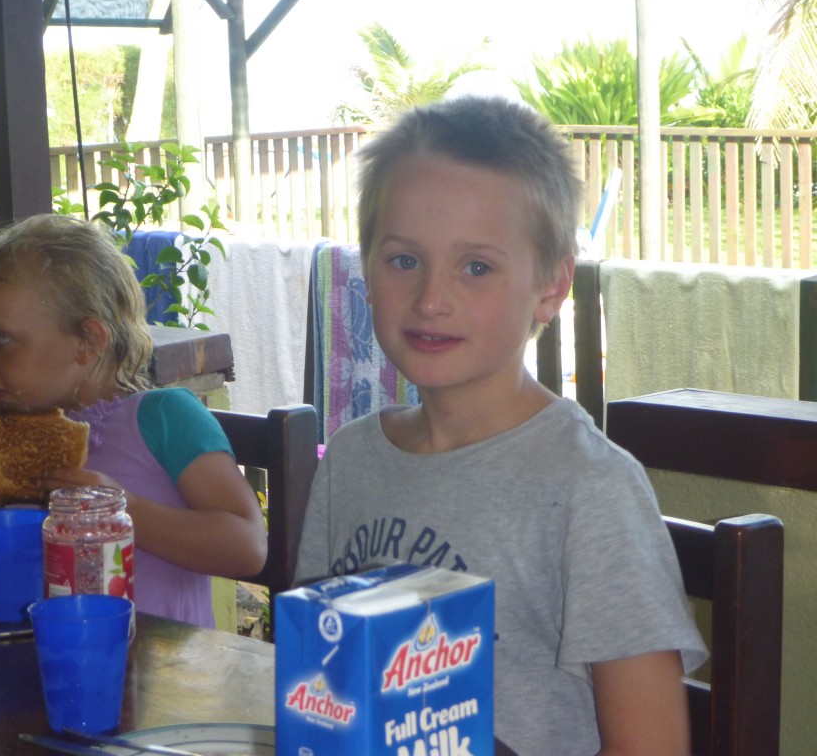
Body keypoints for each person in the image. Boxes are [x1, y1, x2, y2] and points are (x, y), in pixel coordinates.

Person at [293, 96, 707, 755]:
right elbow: (320, 683)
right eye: (403, 259)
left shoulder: (589, 489)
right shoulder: (350, 460)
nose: (431, 297)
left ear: (551, 286)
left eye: (476, 267)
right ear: (365, 268)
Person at [0, 213, 267, 628]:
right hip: (60, 662)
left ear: (87, 341)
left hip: (170, 677)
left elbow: (247, 546)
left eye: (1, 338)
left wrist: (124, 510)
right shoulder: (27, 435)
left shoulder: (165, 417)